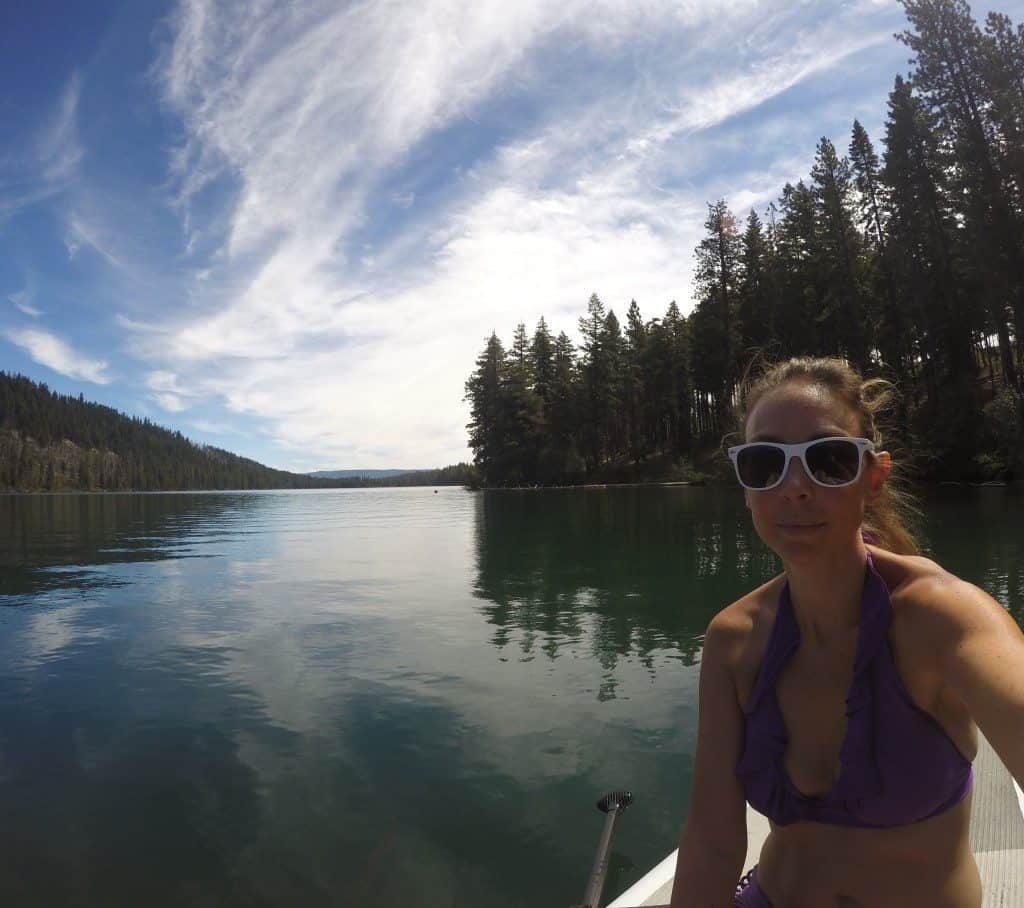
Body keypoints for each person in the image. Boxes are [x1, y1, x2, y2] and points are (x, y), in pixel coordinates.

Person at [669, 356, 1024, 907]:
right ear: (745, 488)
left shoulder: (943, 619)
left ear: (872, 477)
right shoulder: (732, 641)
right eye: (765, 463)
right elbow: (713, 843)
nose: (794, 488)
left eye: (827, 460)